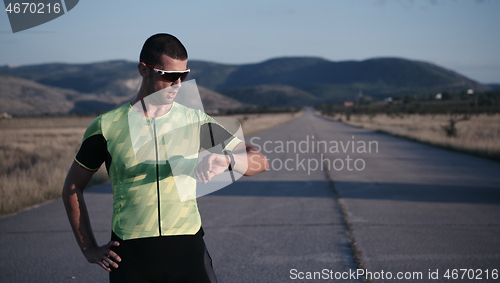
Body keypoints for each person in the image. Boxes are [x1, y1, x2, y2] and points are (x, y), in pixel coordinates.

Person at [62, 33, 269, 283]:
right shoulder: (107, 126)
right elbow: (73, 186)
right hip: (131, 255)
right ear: (144, 70)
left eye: (184, 75)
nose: (178, 83)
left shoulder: (195, 121)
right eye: (169, 75)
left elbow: (259, 160)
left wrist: (228, 160)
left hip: (187, 249)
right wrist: (88, 248)